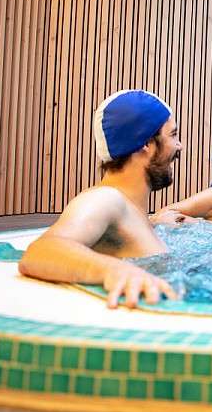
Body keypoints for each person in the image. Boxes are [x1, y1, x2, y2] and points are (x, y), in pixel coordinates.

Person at [18, 90, 185, 309]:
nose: (179, 145)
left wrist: (154, 223)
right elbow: (41, 250)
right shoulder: (104, 198)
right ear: (146, 143)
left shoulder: (128, 209)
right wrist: (115, 270)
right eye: (172, 135)